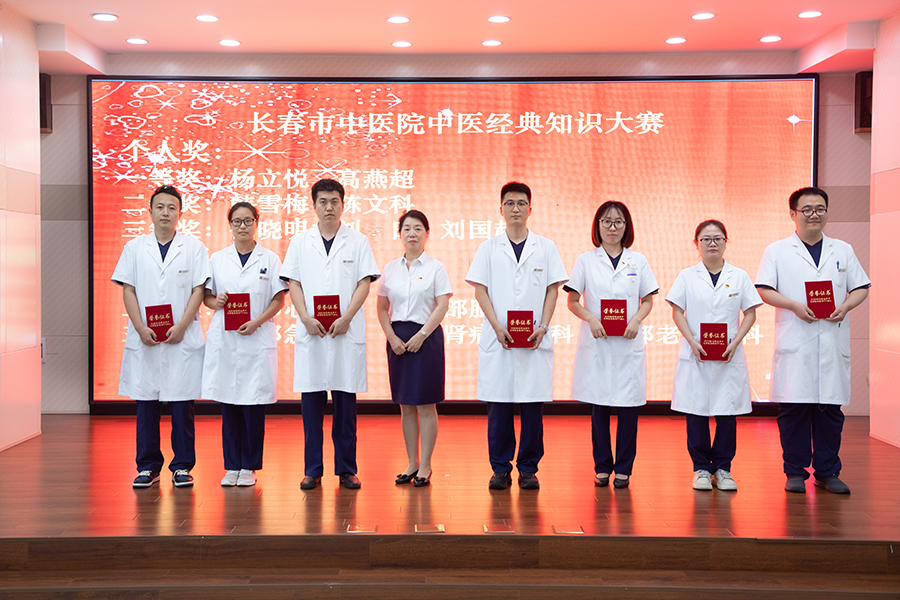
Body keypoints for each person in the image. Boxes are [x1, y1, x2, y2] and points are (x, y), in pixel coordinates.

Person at [755, 187, 870, 494]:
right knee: (793, 411)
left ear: (827, 213)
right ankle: (795, 471)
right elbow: (764, 289)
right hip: (797, 340)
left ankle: (828, 471)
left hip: (831, 339)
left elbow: (860, 288)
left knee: (829, 412)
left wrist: (846, 306)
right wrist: (793, 305)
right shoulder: (777, 251)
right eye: (806, 209)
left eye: (820, 208)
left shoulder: (842, 249)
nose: (814, 214)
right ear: (793, 214)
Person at [465, 182, 568, 490]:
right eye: (509, 203)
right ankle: (500, 468)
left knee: (533, 408)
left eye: (521, 203)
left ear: (530, 209)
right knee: (498, 407)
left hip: (535, 338)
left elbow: (552, 290)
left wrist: (544, 326)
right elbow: (480, 290)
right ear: (500, 209)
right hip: (500, 339)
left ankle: (528, 468)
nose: (515, 209)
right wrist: (496, 325)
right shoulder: (488, 248)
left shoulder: (546, 247)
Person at [280, 179, 380, 491]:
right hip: (312, 332)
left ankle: (347, 469)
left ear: (343, 204)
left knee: (345, 409)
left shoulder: (358, 241)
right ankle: (312, 470)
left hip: (344, 332)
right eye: (322, 201)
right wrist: (305, 318)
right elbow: (293, 283)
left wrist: (347, 317)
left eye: (334, 201)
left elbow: (364, 283)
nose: (329, 207)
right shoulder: (300, 242)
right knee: (311, 409)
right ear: (314, 206)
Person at [111, 184, 210, 488]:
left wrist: (182, 326)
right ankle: (148, 466)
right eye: (160, 207)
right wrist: (140, 327)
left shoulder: (193, 248)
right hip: (146, 337)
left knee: (182, 407)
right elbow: (129, 289)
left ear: (180, 213)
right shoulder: (134, 248)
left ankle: (181, 466)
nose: (165, 212)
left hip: (181, 337)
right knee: (146, 405)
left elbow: (198, 289)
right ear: (150, 211)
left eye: (171, 208)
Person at [565, 201, 657, 489]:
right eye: (606, 221)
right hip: (599, 343)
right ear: (598, 226)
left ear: (626, 227)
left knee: (629, 409)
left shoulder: (638, 261)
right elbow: (572, 301)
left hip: (628, 343)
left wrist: (636, 320)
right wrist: (591, 318)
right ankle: (603, 466)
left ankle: (624, 469)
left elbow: (647, 300)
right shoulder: (585, 261)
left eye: (618, 222)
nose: (612, 227)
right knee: (600, 408)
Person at [666, 220, 762, 492]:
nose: (712, 243)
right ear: (696, 243)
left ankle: (723, 469)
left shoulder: (739, 276)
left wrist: (736, 341)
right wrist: (691, 341)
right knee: (696, 412)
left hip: (728, 355)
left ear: (725, 243)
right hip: (696, 353)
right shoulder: (687, 276)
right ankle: (701, 468)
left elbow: (750, 313)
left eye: (718, 238)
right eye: (705, 239)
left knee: (727, 413)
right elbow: (677, 311)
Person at [202, 202, 287, 487]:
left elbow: (278, 298)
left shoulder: (270, 259)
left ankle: (249, 466)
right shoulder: (217, 259)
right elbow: (207, 297)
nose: (242, 226)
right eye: (237, 221)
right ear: (230, 225)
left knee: (253, 407)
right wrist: (217, 302)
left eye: (248, 221)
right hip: (226, 340)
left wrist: (257, 321)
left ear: (256, 223)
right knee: (229, 405)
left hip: (256, 337)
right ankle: (231, 466)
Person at [376, 210, 452, 487]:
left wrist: (421, 335)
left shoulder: (436, 267)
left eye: (418, 228)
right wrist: (391, 337)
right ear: (399, 234)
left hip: (426, 339)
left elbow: (442, 305)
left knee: (425, 404)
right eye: (407, 228)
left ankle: (426, 465)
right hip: (398, 340)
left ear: (427, 234)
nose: (412, 233)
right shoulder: (390, 269)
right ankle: (412, 462)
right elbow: (382, 308)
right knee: (406, 405)